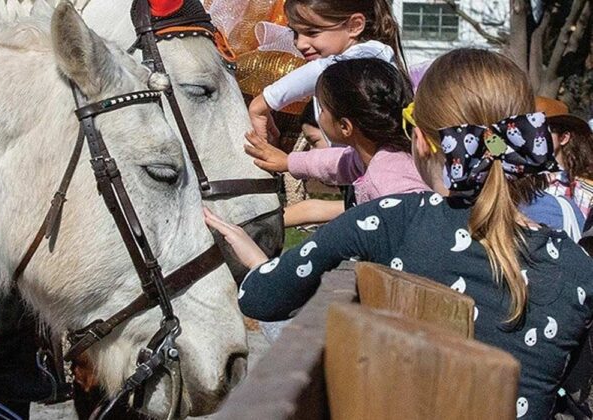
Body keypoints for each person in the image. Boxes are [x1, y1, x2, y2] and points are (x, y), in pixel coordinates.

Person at [206, 48, 593, 419]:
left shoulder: (395, 219)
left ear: (421, 140)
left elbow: (261, 298)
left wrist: (259, 263)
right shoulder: (579, 267)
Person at [247, 58, 429, 228]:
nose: (319, 116)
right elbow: (338, 162)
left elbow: (419, 224)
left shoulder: (386, 181)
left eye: (323, 109)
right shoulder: (382, 153)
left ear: (345, 126)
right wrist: (288, 162)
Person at [246, 0, 407, 144]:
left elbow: (323, 69)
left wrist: (263, 103)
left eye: (312, 33)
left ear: (355, 26)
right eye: (295, 33)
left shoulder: (369, 55)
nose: (300, 44)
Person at [537, 97, 593, 225]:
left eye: (543, 131)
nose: (536, 138)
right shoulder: (516, 185)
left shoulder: (586, 194)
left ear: (563, 138)